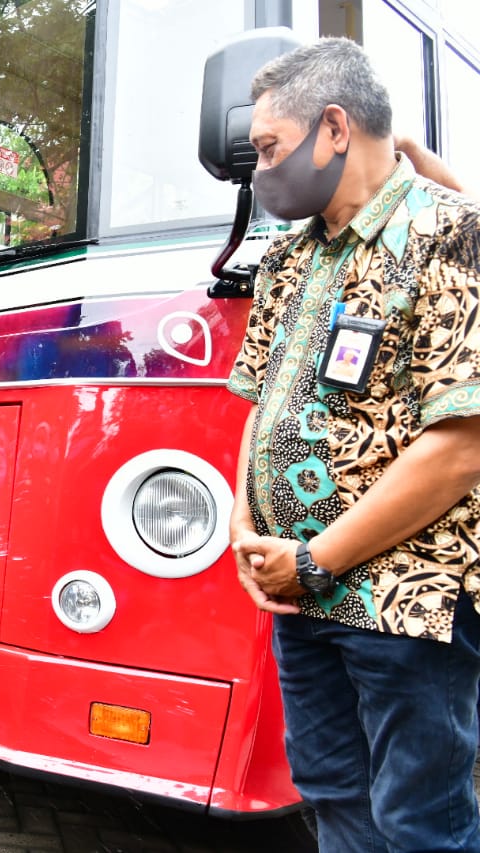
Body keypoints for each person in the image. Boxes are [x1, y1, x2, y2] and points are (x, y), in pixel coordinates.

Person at [228, 38, 480, 851]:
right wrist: (245, 528)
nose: (262, 171)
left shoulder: (452, 233)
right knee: (334, 794)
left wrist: (316, 558)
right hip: (302, 596)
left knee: (419, 820)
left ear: (334, 127)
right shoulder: (287, 261)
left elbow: (461, 446)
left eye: (270, 148)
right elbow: (259, 409)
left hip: (405, 601)